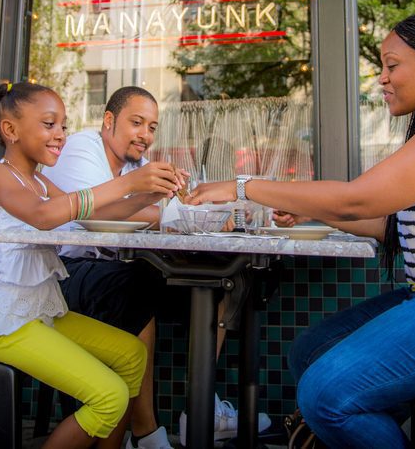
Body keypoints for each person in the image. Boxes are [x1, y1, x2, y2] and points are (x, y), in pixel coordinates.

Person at [186, 12, 415, 448]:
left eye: (392, 65)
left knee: (325, 393)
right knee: (311, 353)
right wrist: (311, 213)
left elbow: (358, 198)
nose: (382, 79)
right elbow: (390, 227)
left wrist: (243, 186)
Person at [41, 86, 272, 449]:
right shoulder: (81, 149)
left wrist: (189, 206)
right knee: (139, 286)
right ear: (108, 121)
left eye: (151, 127)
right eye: (136, 123)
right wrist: (179, 211)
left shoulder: (133, 165)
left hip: (117, 267)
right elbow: (93, 216)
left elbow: (144, 212)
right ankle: (146, 433)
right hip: (66, 271)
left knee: (221, 284)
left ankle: (202, 410)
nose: (145, 135)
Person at [0, 81, 186, 449]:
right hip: (0, 323)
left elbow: (96, 216)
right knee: (109, 396)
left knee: (132, 356)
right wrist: (128, 181)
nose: (61, 135)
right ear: (10, 130)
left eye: (63, 126)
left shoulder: (40, 182)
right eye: (50, 124)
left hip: (41, 312)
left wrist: (150, 195)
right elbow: (44, 217)